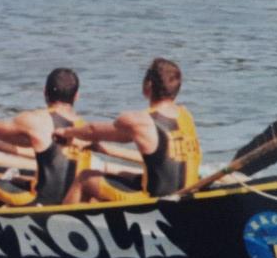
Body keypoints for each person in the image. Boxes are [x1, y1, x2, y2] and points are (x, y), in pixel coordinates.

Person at [55, 57, 201, 201]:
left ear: (148, 85)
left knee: (85, 177)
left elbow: (92, 130)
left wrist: (66, 132)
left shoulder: (141, 120)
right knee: (122, 174)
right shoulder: (186, 115)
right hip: (187, 192)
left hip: (154, 199)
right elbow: (160, 156)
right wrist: (98, 147)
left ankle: (64, 216)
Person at [0, 68, 90, 206]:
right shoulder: (85, 128)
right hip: (73, 199)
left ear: (44, 92)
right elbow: (53, 153)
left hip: (40, 202)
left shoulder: (37, 119)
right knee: (21, 180)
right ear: (76, 96)